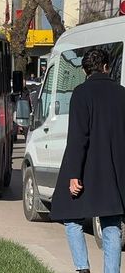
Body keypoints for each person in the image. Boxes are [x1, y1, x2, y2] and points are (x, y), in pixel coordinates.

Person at [50, 49, 125, 273]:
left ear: (85, 70)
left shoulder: (81, 93)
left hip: (85, 169)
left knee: (71, 217)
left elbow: (78, 137)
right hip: (113, 171)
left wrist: (74, 174)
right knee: (111, 224)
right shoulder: (122, 94)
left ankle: (82, 268)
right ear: (106, 67)